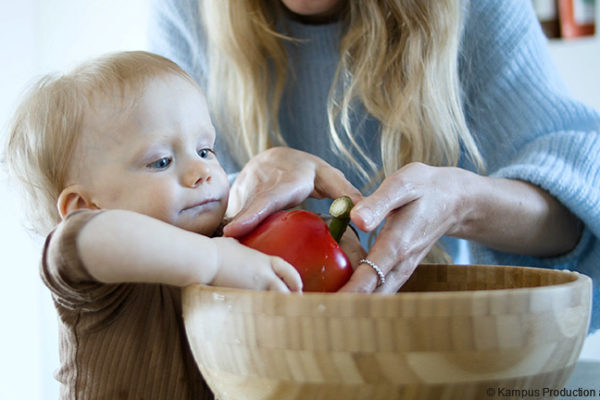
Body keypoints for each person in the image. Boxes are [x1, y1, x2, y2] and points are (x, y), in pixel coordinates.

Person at [148, 0, 600, 332]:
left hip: (434, 348)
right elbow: (145, 227)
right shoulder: (186, 11)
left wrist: (464, 202)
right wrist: (237, 187)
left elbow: (580, 205)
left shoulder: (479, 8)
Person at [3, 51, 305, 399]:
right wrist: (216, 261)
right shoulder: (90, 274)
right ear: (85, 207)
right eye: (161, 161)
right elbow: (85, 237)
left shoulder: (226, 238)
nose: (201, 172)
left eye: (206, 150)